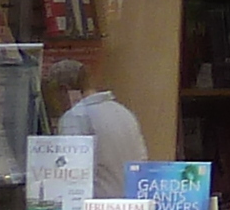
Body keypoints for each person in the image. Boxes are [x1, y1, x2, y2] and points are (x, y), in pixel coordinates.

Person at [40, 56, 150, 192]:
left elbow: (70, 172)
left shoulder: (75, 117)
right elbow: (142, 160)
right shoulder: (124, 112)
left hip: (95, 206)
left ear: (64, 90)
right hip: (131, 203)